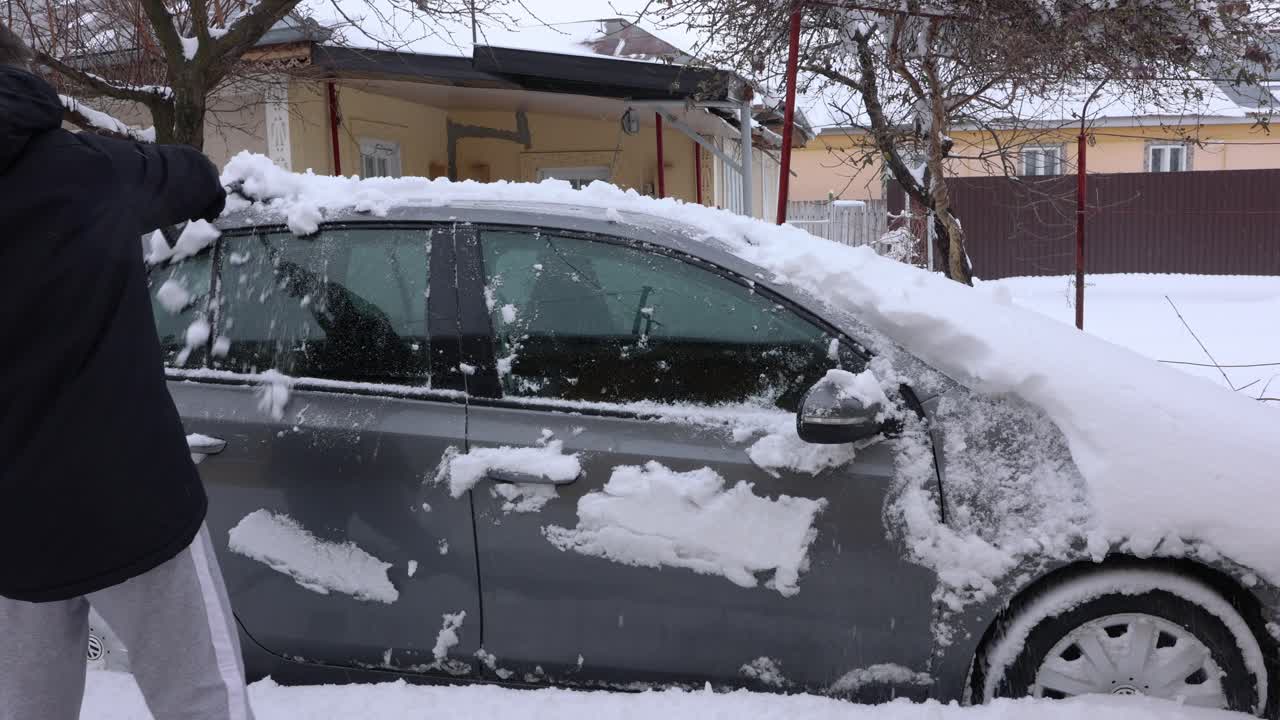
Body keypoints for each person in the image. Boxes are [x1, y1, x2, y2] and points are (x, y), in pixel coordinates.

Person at [0, 23, 255, 720]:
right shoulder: (88, 169)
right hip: (137, 506)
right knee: (203, 700)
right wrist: (207, 192)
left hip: (14, 531)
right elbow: (192, 178)